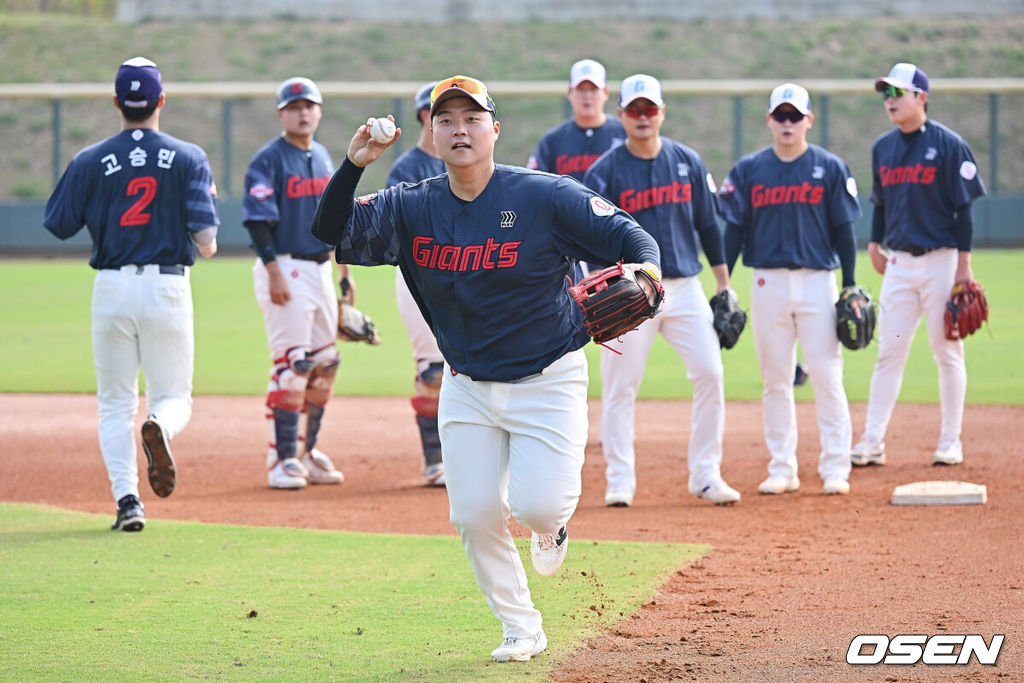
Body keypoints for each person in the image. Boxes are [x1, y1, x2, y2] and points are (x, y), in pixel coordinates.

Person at [310, 75, 661, 663]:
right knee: (472, 515)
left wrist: (647, 276)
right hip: (466, 384)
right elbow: (330, 231)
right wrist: (353, 165)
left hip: (547, 376)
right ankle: (521, 627)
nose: (459, 129)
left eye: (472, 118)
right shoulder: (413, 205)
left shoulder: (545, 196)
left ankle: (552, 526)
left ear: (495, 129)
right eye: (446, 120)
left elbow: (630, 235)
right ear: (431, 132)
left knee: (537, 507)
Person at [43, 57, 219, 531]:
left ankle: (127, 504)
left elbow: (58, 224)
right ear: (161, 100)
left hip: (112, 287)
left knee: (115, 404)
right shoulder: (188, 157)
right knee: (174, 397)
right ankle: (159, 426)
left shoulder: (89, 159)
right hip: (165, 285)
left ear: (117, 102)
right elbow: (206, 243)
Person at [582, 74, 740, 508]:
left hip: (686, 286)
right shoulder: (605, 171)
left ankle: (706, 474)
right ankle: (620, 480)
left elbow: (709, 226)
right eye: (634, 110)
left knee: (710, 373)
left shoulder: (687, 160)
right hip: (629, 292)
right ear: (621, 117)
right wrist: (597, 287)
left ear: (662, 113)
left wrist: (724, 285)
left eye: (650, 109)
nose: (643, 117)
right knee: (621, 387)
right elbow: (586, 234)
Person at [719, 83, 863, 496]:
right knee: (776, 379)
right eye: (780, 115)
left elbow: (843, 231)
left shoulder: (830, 167)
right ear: (769, 120)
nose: (787, 123)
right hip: (767, 281)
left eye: (794, 116)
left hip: (818, 281)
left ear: (808, 121)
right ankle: (782, 467)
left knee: (827, 374)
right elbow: (734, 232)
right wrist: (726, 284)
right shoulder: (749, 170)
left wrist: (849, 284)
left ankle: (836, 465)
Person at [851, 63, 987, 468]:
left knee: (946, 350)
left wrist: (964, 265)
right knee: (889, 352)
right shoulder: (883, 148)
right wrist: (875, 243)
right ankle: (872, 440)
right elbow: (880, 203)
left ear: (921, 98)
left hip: (942, 261)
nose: (890, 100)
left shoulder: (949, 146)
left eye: (898, 93)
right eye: (886, 94)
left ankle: (950, 441)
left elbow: (965, 212)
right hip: (899, 263)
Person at [242, 76, 347, 490]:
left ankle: (306, 450)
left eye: (309, 105)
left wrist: (343, 275)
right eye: (294, 106)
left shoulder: (321, 155)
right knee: (292, 366)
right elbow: (256, 221)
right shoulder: (268, 159)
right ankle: (280, 457)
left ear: (319, 111)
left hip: (321, 268)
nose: (303, 112)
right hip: (284, 265)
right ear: (282, 114)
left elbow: (335, 221)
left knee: (325, 363)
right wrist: (272, 272)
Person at [385, 81, 448, 487]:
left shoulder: (466, 160)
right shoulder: (406, 169)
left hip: (466, 274)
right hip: (419, 278)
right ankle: (434, 460)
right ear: (425, 116)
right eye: (436, 112)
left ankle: (467, 454)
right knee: (433, 370)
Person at [527, 58, 625, 182]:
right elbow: (535, 183)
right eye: (581, 89)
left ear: (605, 92)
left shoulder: (624, 134)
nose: (587, 95)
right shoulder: (553, 140)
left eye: (593, 89)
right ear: (570, 92)